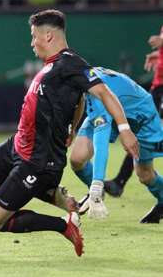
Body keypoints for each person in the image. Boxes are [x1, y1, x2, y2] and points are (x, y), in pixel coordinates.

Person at [0, 9, 139, 257]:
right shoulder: (52, 66)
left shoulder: (71, 62)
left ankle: (63, 225)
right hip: (17, 145)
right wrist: (74, 126)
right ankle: (51, 195)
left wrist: (124, 129)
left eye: (34, 36)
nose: (31, 43)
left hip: (37, 160)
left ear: (48, 36)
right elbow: (79, 99)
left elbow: (103, 93)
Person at [70, 67, 163, 223]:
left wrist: (97, 183)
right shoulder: (81, 77)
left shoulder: (96, 93)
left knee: (145, 174)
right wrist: (72, 129)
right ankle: (98, 193)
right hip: (111, 110)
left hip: (140, 115)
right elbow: (79, 103)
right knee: (77, 158)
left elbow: (101, 140)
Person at [104, 25, 163, 198]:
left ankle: (120, 181)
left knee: (152, 136)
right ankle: (120, 181)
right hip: (158, 87)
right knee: (142, 136)